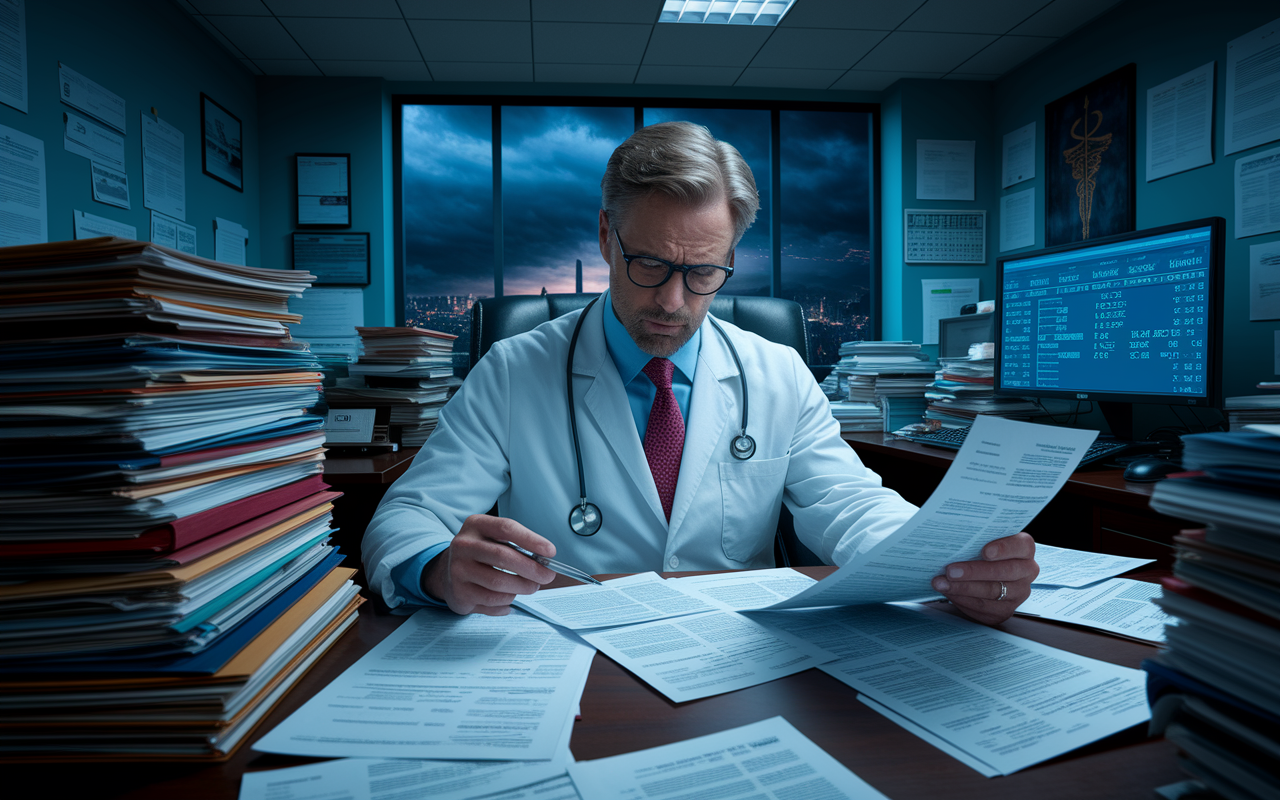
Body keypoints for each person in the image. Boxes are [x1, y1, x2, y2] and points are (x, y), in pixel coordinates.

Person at [362, 121, 1039, 626]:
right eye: (649, 264)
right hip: (572, 656)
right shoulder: (513, 370)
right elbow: (408, 517)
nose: (672, 301)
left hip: (737, 654)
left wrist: (948, 562)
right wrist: (440, 569)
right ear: (606, 238)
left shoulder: (776, 372)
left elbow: (848, 505)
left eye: (704, 272)